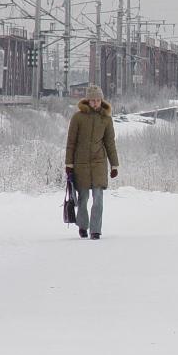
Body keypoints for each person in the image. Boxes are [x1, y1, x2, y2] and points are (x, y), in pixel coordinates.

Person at [65, 85, 119, 240]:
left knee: (98, 198)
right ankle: (83, 226)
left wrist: (114, 165)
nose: (95, 103)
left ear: (101, 100)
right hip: (80, 164)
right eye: (93, 100)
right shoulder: (78, 118)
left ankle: (95, 230)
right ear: (87, 100)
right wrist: (69, 164)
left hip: (99, 164)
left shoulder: (106, 119)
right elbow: (71, 142)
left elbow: (110, 143)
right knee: (83, 199)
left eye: (98, 100)